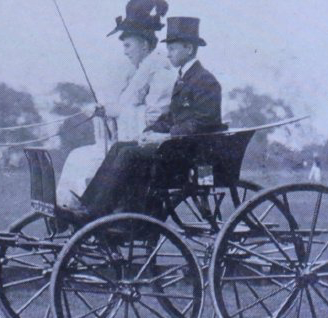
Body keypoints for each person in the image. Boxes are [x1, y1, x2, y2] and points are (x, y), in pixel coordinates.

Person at [67, 16, 225, 221]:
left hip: (192, 155)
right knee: (120, 147)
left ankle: (97, 212)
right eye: (167, 49)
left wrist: (165, 137)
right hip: (178, 147)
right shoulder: (185, 77)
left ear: (188, 48)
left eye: (173, 48)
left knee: (129, 155)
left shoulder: (205, 80)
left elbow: (203, 123)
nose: (168, 53)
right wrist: (150, 132)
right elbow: (172, 116)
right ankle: (88, 204)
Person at [56, 0, 176, 208]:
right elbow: (125, 108)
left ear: (144, 44)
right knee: (77, 156)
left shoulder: (160, 71)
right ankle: (70, 206)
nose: (125, 51)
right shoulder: (139, 72)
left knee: (89, 161)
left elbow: (154, 117)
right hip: (129, 143)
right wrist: (105, 111)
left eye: (128, 45)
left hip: (147, 147)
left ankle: (90, 208)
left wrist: (115, 112)